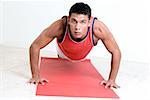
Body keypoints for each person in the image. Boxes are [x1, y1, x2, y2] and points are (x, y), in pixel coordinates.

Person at [28, 2, 121, 89]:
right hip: (63, 52)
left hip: (84, 53)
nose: (77, 27)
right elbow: (35, 46)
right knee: (62, 65)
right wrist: (35, 76)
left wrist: (112, 80)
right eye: (74, 21)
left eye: (82, 22)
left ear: (89, 22)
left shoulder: (98, 28)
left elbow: (116, 51)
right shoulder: (59, 26)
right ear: (68, 20)